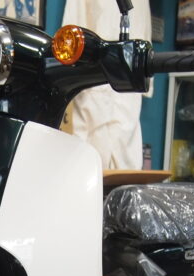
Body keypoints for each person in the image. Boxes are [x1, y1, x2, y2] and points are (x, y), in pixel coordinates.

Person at [62, 0, 152, 170]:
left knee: (126, 161)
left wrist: (144, 74)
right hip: (93, 80)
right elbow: (72, 30)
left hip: (129, 84)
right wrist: (70, 71)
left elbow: (143, 33)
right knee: (89, 157)